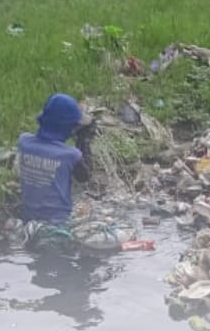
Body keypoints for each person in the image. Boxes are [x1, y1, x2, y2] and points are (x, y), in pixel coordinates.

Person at [13, 94, 126, 250]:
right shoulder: (70, 155)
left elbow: (43, 145)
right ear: (66, 127)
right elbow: (84, 177)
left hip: (29, 218)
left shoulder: (24, 141)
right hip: (58, 222)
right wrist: (83, 141)